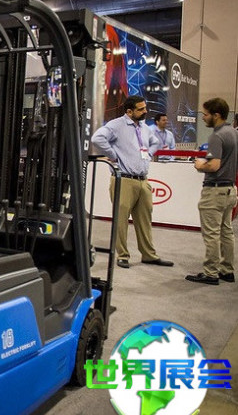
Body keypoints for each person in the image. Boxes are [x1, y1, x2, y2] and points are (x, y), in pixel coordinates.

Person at [90, 95, 173, 269]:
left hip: (143, 181)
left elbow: (155, 142)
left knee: (145, 220)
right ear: (129, 111)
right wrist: (113, 155)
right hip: (124, 180)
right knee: (121, 221)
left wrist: (149, 154)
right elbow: (97, 138)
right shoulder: (116, 125)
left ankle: (149, 255)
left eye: (145, 108)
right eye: (141, 109)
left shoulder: (144, 127)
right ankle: (123, 255)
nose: (145, 111)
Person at [185, 98, 238, 285]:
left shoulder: (217, 136)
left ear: (216, 115)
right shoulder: (233, 132)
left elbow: (214, 165)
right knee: (226, 231)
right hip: (230, 189)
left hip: (215, 191)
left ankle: (211, 273)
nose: (203, 117)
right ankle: (227, 270)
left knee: (212, 234)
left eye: (206, 114)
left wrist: (200, 165)